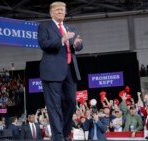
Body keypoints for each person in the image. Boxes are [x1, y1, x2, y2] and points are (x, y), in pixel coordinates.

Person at [37, 1, 83, 141]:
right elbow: (43, 44)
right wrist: (62, 39)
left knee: (71, 102)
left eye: (62, 9)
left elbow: (78, 46)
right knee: (54, 106)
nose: (60, 12)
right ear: (51, 13)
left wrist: (77, 44)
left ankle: (64, 134)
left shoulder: (70, 27)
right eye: (57, 10)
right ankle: (58, 137)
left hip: (70, 70)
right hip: (52, 71)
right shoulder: (45, 26)